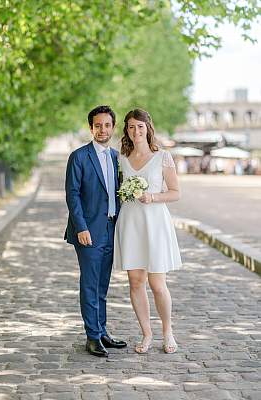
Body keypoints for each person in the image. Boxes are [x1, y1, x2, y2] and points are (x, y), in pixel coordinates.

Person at [114, 109, 182, 354]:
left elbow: (175, 192)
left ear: (148, 127)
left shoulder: (163, 156)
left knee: (157, 283)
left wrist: (152, 196)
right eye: (131, 127)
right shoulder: (121, 158)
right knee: (135, 281)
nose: (136, 131)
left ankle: (167, 331)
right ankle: (146, 334)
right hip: (130, 222)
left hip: (154, 222)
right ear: (126, 130)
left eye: (140, 126)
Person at [65, 105, 127, 357]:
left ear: (113, 127)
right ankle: (92, 337)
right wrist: (81, 227)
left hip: (112, 228)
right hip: (88, 231)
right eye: (97, 125)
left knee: (102, 285)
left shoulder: (117, 157)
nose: (102, 129)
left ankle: (102, 331)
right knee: (90, 284)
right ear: (91, 128)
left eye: (107, 125)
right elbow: (73, 194)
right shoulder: (79, 157)